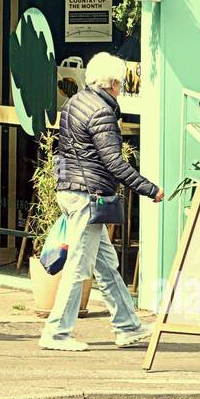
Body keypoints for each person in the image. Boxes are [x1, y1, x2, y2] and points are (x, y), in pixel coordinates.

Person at [40, 52, 164, 351]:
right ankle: (56, 333)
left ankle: (128, 326)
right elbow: (114, 163)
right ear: (113, 83)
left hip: (71, 189)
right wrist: (150, 189)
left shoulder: (75, 102)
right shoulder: (102, 111)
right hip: (88, 196)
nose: (122, 88)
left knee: (106, 264)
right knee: (79, 266)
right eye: (121, 83)